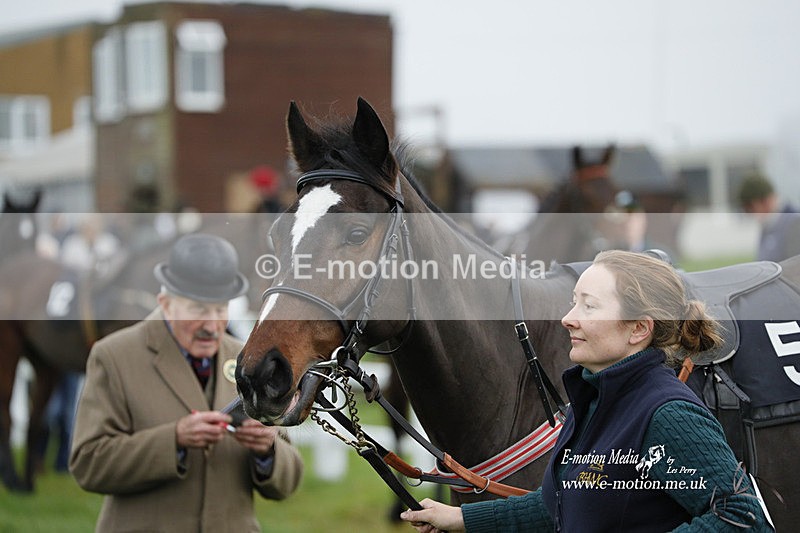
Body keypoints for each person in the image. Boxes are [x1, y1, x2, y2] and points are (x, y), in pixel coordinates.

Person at [400, 250, 771, 532]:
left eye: (589, 306)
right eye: (575, 300)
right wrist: (461, 518)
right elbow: (560, 504)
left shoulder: (667, 414)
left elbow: (743, 516)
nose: (568, 318)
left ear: (638, 329)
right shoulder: (590, 399)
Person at [69, 233, 303, 532]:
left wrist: (267, 451)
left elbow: (290, 480)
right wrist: (174, 440)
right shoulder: (113, 356)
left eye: (220, 309)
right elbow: (88, 464)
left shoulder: (246, 360)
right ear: (165, 303)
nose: (211, 324)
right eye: (198, 309)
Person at [738, 172, 800, 262]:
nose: (750, 214)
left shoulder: (795, 223)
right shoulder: (768, 226)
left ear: (766, 201)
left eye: (751, 208)